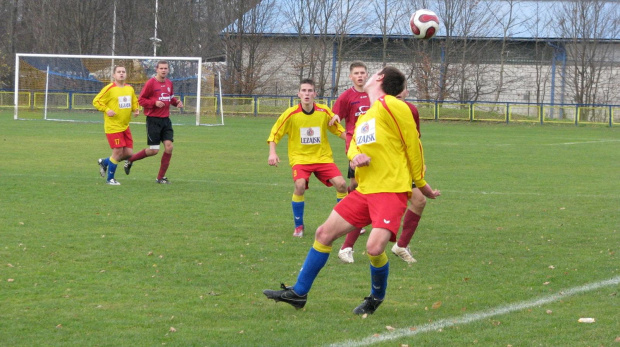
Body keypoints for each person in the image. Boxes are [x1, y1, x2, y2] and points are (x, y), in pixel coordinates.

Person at [263, 67, 440, 315]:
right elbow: (353, 145)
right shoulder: (367, 115)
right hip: (364, 191)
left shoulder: (394, 106)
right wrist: (356, 157)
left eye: (374, 71)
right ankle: (299, 293)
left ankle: (376, 297)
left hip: (390, 191)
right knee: (324, 233)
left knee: (374, 248)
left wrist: (421, 184)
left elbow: (414, 145)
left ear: (379, 78)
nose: (367, 74)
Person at [339, 87, 427, 264]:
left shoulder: (411, 110)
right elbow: (360, 134)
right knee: (366, 207)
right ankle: (347, 246)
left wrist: (418, 166)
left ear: (407, 92)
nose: (399, 92)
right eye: (396, 89)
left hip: (400, 169)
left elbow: (414, 140)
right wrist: (356, 156)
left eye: (402, 89)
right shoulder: (375, 110)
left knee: (419, 201)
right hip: (375, 167)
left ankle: (401, 245)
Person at [267, 78, 348, 237]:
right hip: (300, 159)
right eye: (303, 91)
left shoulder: (324, 112)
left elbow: (339, 131)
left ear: (315, 94)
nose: (307, 94)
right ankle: (299, 226)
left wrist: (356, 143)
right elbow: (275, 133)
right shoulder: (290, 114)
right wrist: (272, 152)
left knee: (342, 185)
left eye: (310, 91)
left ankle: (344, 223)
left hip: (322, 158)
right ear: (299, 94)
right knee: (300, 185)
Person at [331, 61, 371, 263]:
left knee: (357, 185)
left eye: (363, 72)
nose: (360, 76)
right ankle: (353, 217)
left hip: (372, 145)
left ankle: (354, 214)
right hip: (355, 146)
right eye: (356, 73)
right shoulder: (347, 95)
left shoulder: (373, 93)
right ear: (351, 76)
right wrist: (335, 117)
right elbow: (336, 113)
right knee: (359, 186)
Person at [123, 60, 184, 184]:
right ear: (156, 69)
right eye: (161, 68)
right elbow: (141, 100)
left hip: (166, 120)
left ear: (168, 70)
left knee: (169, 147)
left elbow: (170, 97)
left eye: (165, 68)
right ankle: (130, 160)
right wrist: (154, 103)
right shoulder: (150, 83)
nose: (163, 70)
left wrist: (176, 102)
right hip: (153, 121)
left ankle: (160, 177)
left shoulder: (169, 83)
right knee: (154, 150)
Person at [94, 65, 140, 185]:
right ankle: (110, 179)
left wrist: (136, 109)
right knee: (118, 152)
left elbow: (134, 101)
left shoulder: (129, 88)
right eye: (118, 72)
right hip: (113, 126)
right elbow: (96, 101)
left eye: (123, 72)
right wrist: (106, 109)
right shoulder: (109, 88)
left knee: (129, 153)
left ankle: (105, 162)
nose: (121, 74)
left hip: (125, 126)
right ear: (114, 75)